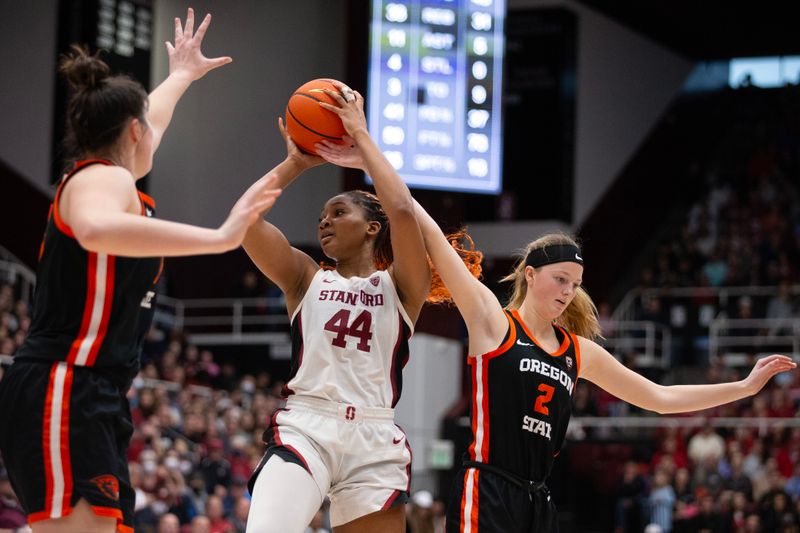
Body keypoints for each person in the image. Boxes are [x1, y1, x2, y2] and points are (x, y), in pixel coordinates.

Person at [315, 139, 796, 532]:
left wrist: (744, 387)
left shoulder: (576, 352)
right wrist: (368, 159)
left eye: (575, 284)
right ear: (529, 275)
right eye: (560, 279)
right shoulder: (492, 321)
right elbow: (420, 221)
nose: (568, 291)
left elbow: (660, 397)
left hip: (537, 499)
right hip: (488, 489)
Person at [0, 9, 282, 533]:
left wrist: (180, 75)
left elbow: (154, 117)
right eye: (145, 125)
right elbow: (91, 227)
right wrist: (220, 238)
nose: (155, 129)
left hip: (91, 391)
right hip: (65, 382)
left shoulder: (111, 172)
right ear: (132, 132)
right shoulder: (97, 181)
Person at [241, 83, 431, 532]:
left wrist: (362, 140)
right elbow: (246, 221)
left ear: (372, 228)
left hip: (374, 438)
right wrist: (294, 164)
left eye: (339, 211)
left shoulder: (402, 285)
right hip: (308, 426)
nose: (325, 220)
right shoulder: (306, 276)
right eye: (322, 216)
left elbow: (403, 208)